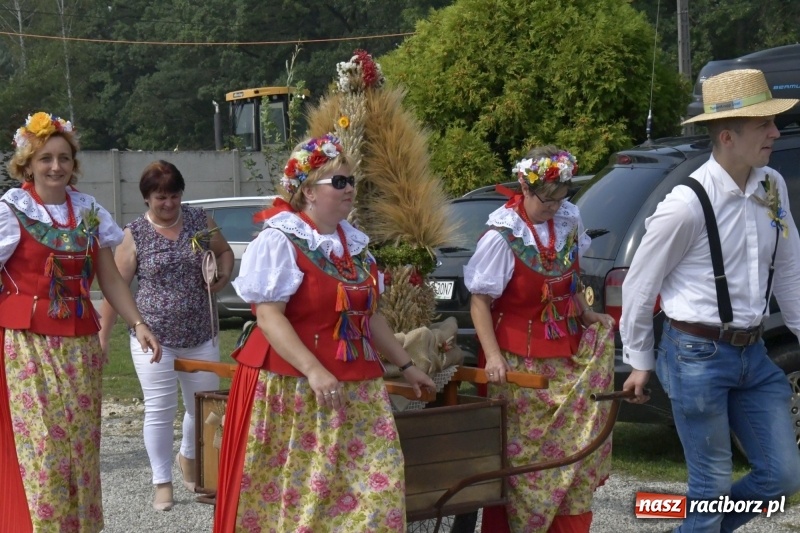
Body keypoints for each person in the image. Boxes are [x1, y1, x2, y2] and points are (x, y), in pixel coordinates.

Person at [212, 133, 435, 532]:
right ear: (308, 193)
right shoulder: (280, 240)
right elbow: (268, 316)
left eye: (351, 181)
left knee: (378, 498)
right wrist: (314, 370)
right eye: (339, 182)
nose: (349, 189)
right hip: (296, 388)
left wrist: (405, 365)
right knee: (303, 503)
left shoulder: (356, 246)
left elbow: (370, 317)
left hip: (359, 390)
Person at [621, 69, 800, 532]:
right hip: (694, 354)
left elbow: (790, 269)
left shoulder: (771, 186)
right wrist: (639, 359)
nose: (776, 133)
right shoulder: (686, 204)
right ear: (727, 135)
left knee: (782, 475)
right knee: (711, 487)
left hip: (754, 353)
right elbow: (640, 284)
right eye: (764, 125)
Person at [0, 111, 161, 532]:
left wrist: (138, 322)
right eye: (45, 158)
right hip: (29, 343)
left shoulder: (87, 211)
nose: (56, 167)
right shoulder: (11, 211)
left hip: (80, 344)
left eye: (64, 158)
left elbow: (108, 275)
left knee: (83, 448)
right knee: (46, 449)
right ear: (28, 165)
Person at [465, 145, 616, 533]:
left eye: (560, 197)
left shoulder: (568, 220)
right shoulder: (502, 235)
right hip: (519, 367)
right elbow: (480, 303)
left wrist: (587, 313)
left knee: (573, 457)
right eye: (545, 199)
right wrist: (493, 357)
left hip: (565, 357)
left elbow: (570, 279)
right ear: (524, 187)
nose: (553, 206)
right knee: (525, 468)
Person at [98, 160, 234, 511]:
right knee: (160, 409)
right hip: (152, 336)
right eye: (161, 197)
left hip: (201, 332)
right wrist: (103, 335)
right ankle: (162, 482)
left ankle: (189, 458)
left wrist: (223, 274)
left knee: (203, 408)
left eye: (174, 196)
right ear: (147, 198)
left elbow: (224, 251)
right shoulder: (134, 234)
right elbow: (117, 287)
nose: (169, 203)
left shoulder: (198, 220)